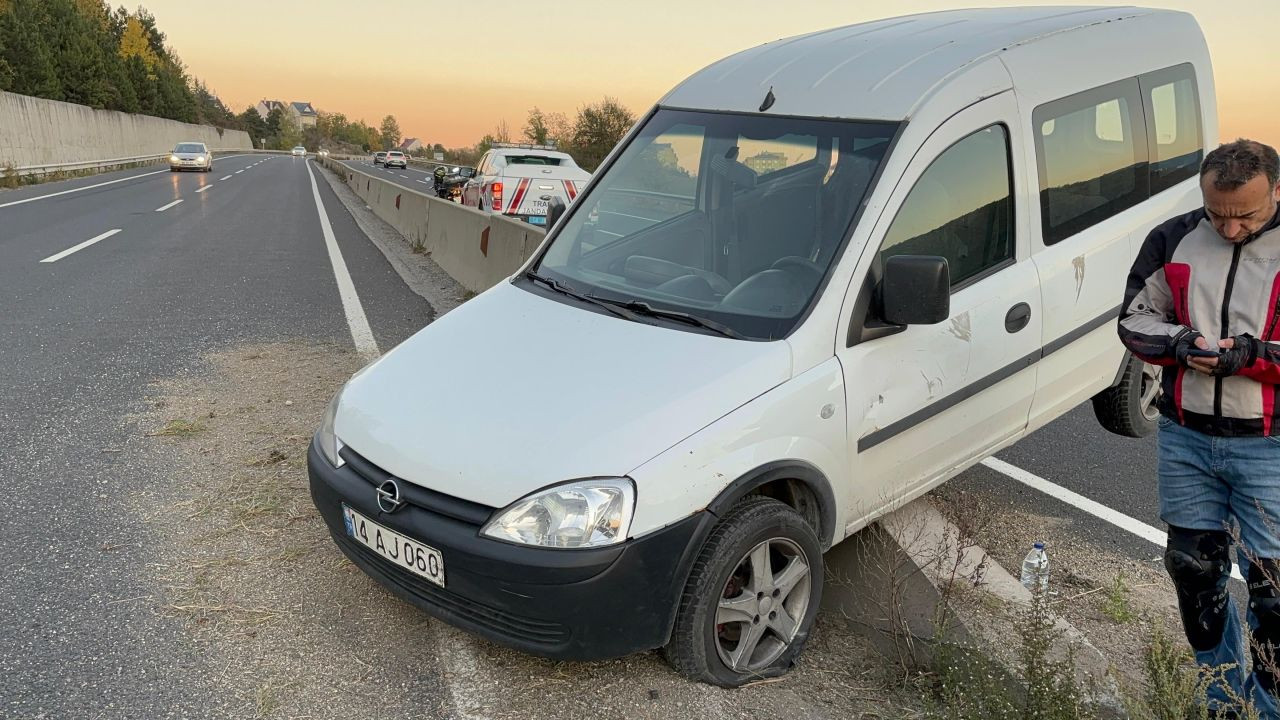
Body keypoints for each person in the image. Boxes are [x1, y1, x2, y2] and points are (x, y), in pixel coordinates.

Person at [1119, 139, 1280, 715]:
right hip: (1187, 438)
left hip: (1270, 445)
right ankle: (1221, 701)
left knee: (1273, 592)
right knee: (1193, 572)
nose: (1230, 229)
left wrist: (1249, 356)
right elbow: (1134, 321)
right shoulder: (1174, 237)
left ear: (1276, 191)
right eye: (1218, 215)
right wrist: (1183, 344)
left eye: (1247, 216)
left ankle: (1268, 710)